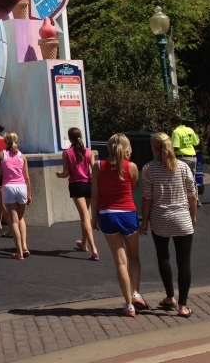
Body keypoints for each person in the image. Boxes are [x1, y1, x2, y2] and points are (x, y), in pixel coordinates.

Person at [139, 133, 198, 318]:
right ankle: (183, 305)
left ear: (154, 149)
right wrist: (193, 215)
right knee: (184, 262)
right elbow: (192, 194)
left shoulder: (148, 169)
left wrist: (145, 221)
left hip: (160, 218)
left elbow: (147, 197)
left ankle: (170, 296)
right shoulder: (183, 167)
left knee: (163, 257)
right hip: (182, 218)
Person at [91, 133, 148, 317]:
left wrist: (94, 217)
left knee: (120, 261)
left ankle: (129, 305)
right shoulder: (131, 167)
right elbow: (134, 187)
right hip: (128, 213)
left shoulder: (98, 166)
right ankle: (136, 293)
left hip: (107, 214)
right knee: (134, 257)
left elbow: (95, 195)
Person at [55, 127, 98, 260]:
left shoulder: (67, 153)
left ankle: (94, 249)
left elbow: (66, 172)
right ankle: (83, 243)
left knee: (85, 217)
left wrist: (60, 175)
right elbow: (94, 168)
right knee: (86, 215)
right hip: (89, 185)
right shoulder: (88, 152)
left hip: (76, 185)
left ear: (70, 138)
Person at [0, 131, 32, 260]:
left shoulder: (1, 155)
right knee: (21, 219)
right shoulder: (22, 156)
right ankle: (25, 246)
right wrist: (29, 193)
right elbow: (27, 177)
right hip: (22, 187)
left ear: (5, 141)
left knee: (14, 222)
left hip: (9, 188)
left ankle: (19, 253)